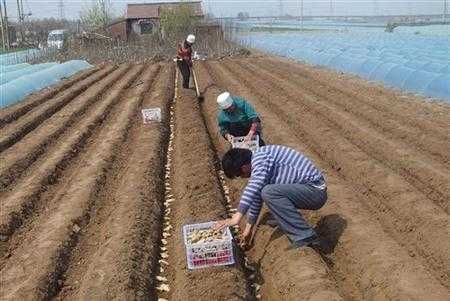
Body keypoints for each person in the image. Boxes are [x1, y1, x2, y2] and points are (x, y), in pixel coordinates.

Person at [214, 145, 327, 249]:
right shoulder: (259, 161)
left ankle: (304, 236)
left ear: (243, 168)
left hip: (315, 191)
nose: (242, 178)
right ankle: (287, 222)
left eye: (239, 175)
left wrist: (236, 218)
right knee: (266, 192)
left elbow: (254, 187)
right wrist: (248, 229)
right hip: (306, 190)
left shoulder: (261, 158)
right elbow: (256, 196)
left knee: (269, 192)